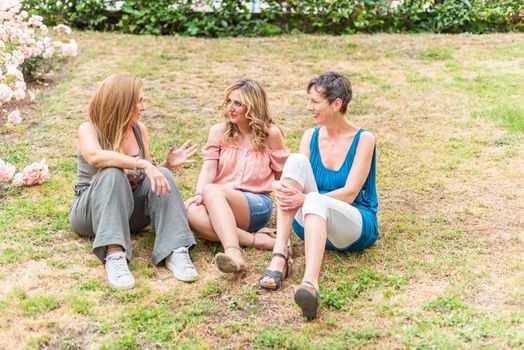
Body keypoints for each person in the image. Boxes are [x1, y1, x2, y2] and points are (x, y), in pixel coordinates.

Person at [259, 72, 379, 318]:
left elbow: (350, 193)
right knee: (295, 161)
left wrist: (304, 199)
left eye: (315, 102)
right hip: (312, 224)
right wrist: (284, 189)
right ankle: (280, 254)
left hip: (353, 226)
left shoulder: (364, 139)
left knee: (313, 199)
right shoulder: (310, 136)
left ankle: (310, 285)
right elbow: (299, 184)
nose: (308, 107)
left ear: (336, 104)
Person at [70, 73, 200, 290]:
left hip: (130, 213)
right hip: (90, 214)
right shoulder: (89, 128)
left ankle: (175, 250)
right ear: (122, 103)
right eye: (138, 101)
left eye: (143, 100)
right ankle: (114, 254)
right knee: (112, 172)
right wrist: (144, 164)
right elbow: (95, 156)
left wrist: (165, 167)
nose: (143, 106)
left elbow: (146, 178)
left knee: (163, 175)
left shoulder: (139, 130)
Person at [185, 78, 289, 278]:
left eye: (238, 103)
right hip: (219, 199)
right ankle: (255, 240)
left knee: (211, 191)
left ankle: (233, 251)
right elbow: (208, 169)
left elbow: (281, 177)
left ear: (253, 106)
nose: (230, 108)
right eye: (229, 102)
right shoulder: (219, 131)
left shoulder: (270, 134)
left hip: (255, 204)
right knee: (191, 211)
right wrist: (199, 195)